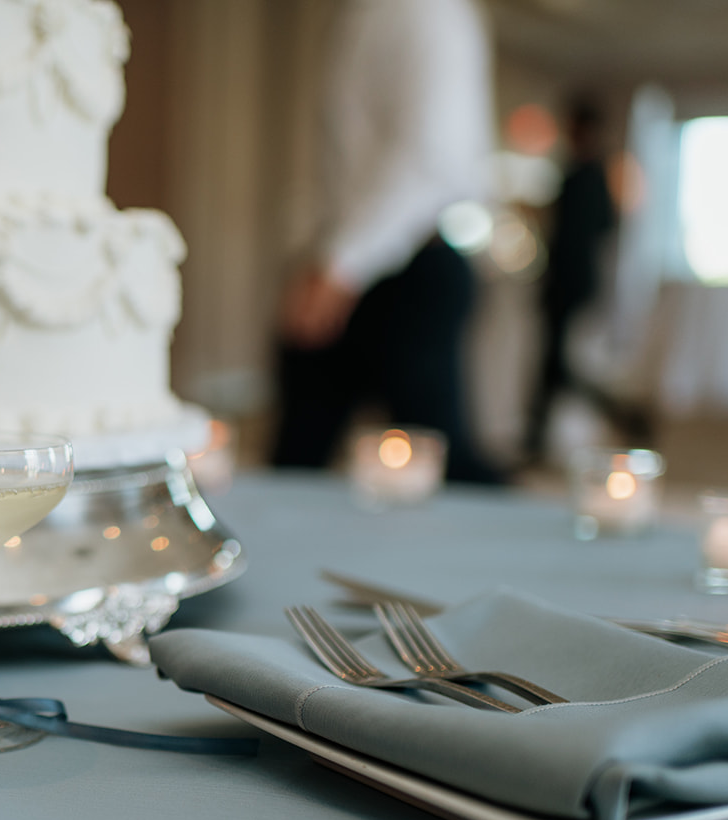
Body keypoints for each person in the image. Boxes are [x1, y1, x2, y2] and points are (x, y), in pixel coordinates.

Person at [271, 0, 503, 484]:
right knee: (299, 456)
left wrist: (341, 265)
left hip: (405, 264)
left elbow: (429, 157)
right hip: (356, 255)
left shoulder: (426, 12)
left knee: (445, 469)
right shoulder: (363, 14)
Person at [522, 96, 640, 464]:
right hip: (577, 283)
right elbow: (606, 227)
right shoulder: (595, 174)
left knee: (559, 368)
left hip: (568, 285)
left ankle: (621, 416)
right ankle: (539, 438)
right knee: (558, 366)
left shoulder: (583, 175)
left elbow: (571, 236)